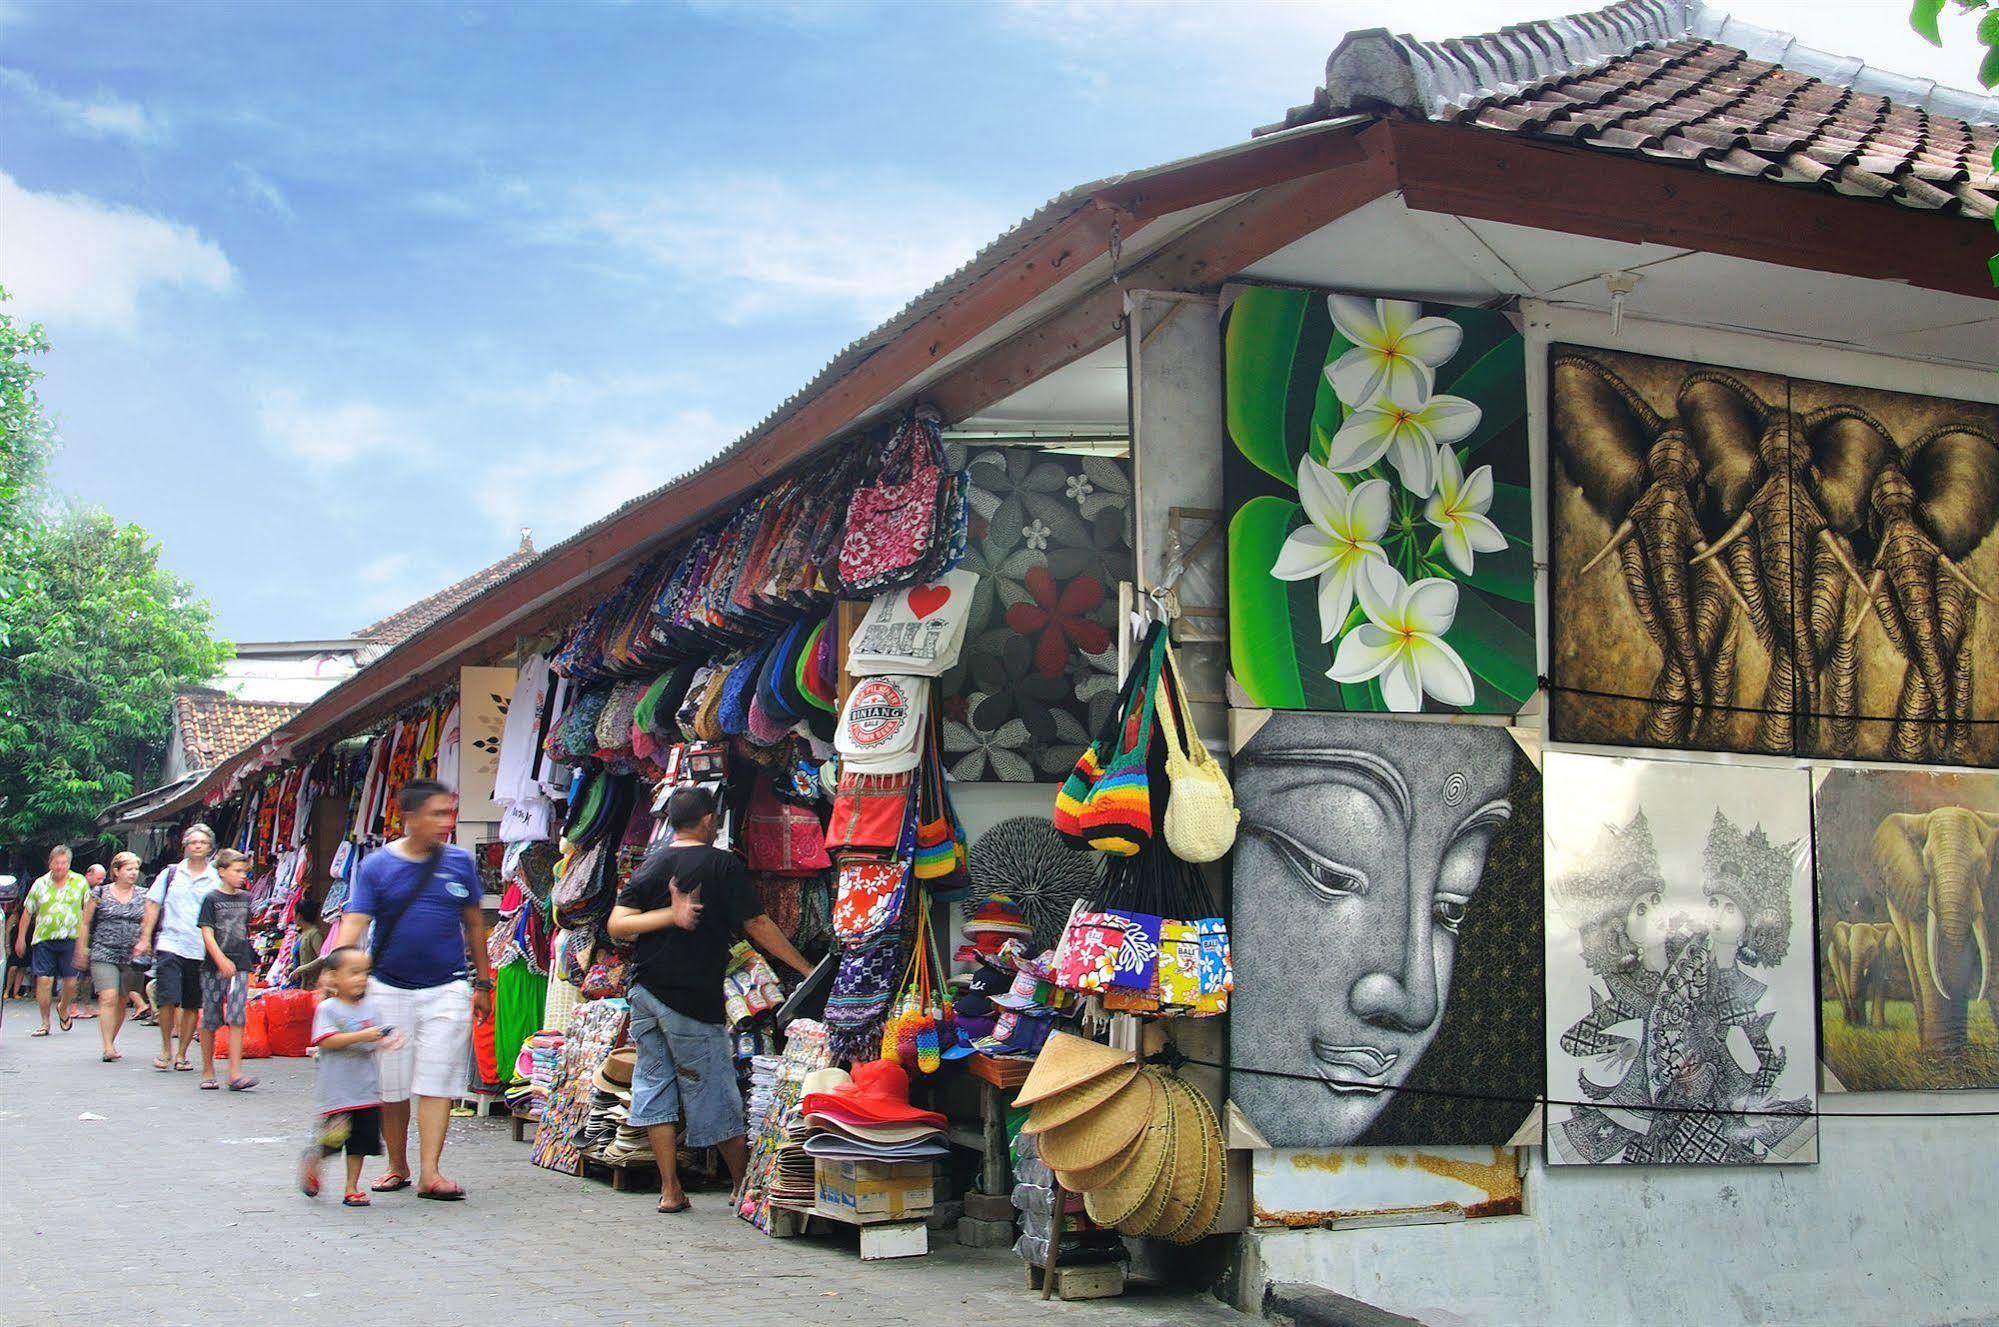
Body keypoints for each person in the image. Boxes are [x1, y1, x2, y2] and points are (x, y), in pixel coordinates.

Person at [608, 784, 813, 1213]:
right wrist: (803, 967)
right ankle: (742, 1185)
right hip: (689, 997)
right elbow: (757, 923)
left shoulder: (654, 863)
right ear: (707, 820)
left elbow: (617, 924)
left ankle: (670, 1190)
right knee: (715, 1090)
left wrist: (664, 917)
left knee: (654, 1087)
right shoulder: (721, 864)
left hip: (645, 992)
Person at [334, 779, 493, 1201]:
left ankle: (431, 1172)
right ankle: (397, 1165)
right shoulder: (376, 867)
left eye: (449, 813)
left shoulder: (460, 863)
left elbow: (474, 924)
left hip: (448, 987)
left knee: (438, 1079)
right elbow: (355, 921)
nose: (446, 821)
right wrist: (337, 969)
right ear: (410, 819)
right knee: (392, 1084)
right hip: (387, 988)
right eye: (437, 813)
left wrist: (483, 980)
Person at [301, 947, 399, 1208]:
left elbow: (376, 1038)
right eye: (353, 973)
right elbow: (328, 1041)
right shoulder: (328, 1009)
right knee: (333, 1140)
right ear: (333, 977)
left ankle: (351, 1187)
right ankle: (315, 1159)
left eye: (365, 973)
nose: (361, 979)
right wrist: (363, 1036)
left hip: (366, 1090)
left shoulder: (371, 1007)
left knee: (361, 1143)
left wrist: (386, 1041)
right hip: (338, 1093)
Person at [135, 824, 221, 1072]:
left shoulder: (215, 878)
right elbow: (152, 904)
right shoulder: (171, 874)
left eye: (202, 843)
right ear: (185, 845)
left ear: (209, 848)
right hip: (170, 942)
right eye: (192, 842)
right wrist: (145, 938)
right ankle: (165, 1048)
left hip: (200, 946)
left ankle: (182, 1053)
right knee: (167, 998)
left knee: (192, 1002)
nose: (197, 846)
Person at [74, 853, 151, 1061]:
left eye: (136, 869)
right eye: (128, 869)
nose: (133, 873)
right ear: (116, 871)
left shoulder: (144, 895)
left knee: (122, 999)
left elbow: (148, 922)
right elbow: (85, 922)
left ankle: (112, 1039)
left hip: (131, 954)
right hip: (103, 951)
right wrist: (82, 948)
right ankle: (107, 1046)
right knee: (108, 997)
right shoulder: (99, 893)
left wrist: (146, 941)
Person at [196, 849, 259, 1092]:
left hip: (240, 963)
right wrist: (220, 959)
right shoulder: (211, 899)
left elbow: (248, 927)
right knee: (211, 1017)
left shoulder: (246, 898)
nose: (242, 875)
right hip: (214, 965)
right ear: (222, 872)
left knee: (237, 1016)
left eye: (244, 871)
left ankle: (235, 1072)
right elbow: (207, 932)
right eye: (237, 871)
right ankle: (208, 1070)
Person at [14, 846, 88, 1037]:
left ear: (69, 864)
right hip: (44, 938)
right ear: (50, 863)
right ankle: (45, 1022)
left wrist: (84, 943)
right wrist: (21, 938)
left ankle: (63, 1007)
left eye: (63, 863)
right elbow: (28, 911)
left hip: (70, 937)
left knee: (71, 982)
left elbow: (87, 912)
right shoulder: (40, 883)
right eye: (56, 863)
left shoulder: (79, 882)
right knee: (44, 980)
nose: (60, 867)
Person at [70, 864, 106, 1021]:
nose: (101, 882)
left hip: (92, 935)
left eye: (103, 879)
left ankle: (87, 1005)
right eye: (99, 878)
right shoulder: (78, 889)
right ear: (89, 875)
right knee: (76, 973)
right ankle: (71, 1006)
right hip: (76, 933)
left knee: (87, 975)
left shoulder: (98, 892)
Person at [289, 896, 330, 991]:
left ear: (299, 915)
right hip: (299, 984)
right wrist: (291, 966)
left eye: (294, 913)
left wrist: (301, 969)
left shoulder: (314, 934)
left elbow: (322, 959)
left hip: (311, 985)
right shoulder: (301, 934)